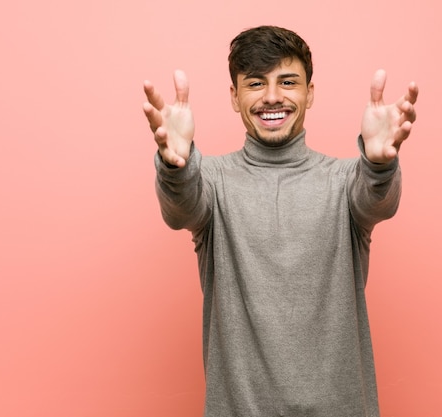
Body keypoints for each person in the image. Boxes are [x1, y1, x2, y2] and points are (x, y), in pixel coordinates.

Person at [142, 25, 418, 417]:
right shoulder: (213, 183)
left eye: (288, 81)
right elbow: (181, 209)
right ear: (235, 98)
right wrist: (176, 168)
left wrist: (377, 166)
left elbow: (377, 201)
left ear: (310, 92)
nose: (272, 97)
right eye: (255, 83)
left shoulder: (343, 182)